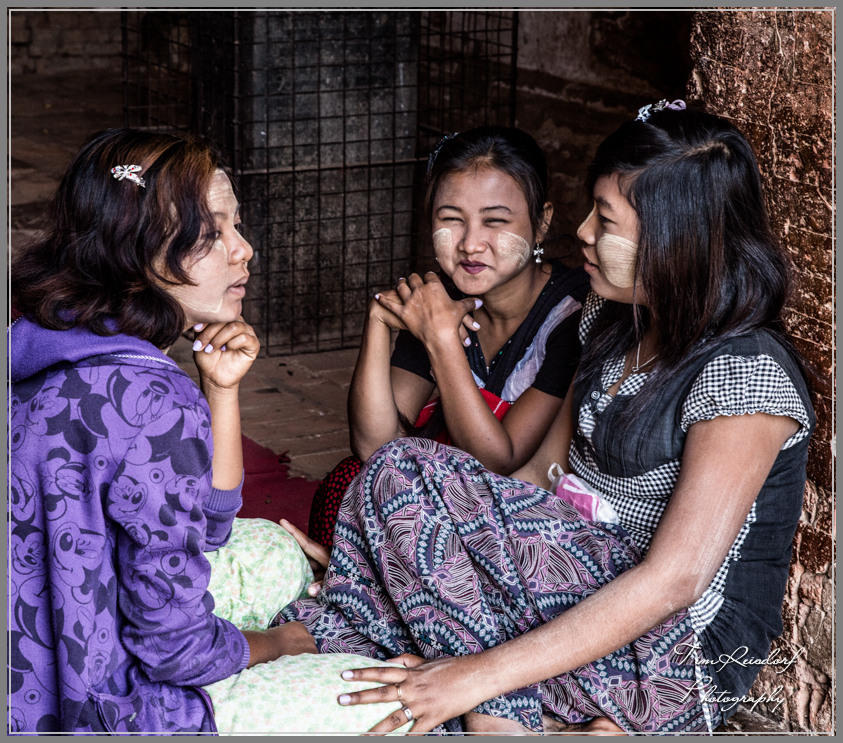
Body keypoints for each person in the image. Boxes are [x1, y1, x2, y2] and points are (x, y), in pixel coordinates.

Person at [274, 101, 815, 733]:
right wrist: (398, 546)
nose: (583, 232)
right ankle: (525, 708)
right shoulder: (611, 326)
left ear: (675, 239)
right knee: (395, 472)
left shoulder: (746, 373)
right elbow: (534, 481)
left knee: (410, 505)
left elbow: (675, 580)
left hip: (676, 654)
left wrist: (475, 672)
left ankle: (491, 709)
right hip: (570, 577)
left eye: (605, 218)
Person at [8, 129, 406, 734]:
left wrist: (219, 391)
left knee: (273, 553)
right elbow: (174, 651)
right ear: (137, 249)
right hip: (97, 701)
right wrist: (279, 643)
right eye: (216, 232)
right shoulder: (151, 404)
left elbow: (208, 522)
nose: (245, 250)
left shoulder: (39, 339)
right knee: (389, 702)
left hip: (36, 652)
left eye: (237, 226)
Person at [307, 126, 589, 548]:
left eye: (495, 221)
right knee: (346, 483)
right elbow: (373, 446)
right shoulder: (440, 298)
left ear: (542, 221)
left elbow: (500, 460)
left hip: (517, 517)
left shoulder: (571, 316)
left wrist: (441, 343)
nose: (471, 244)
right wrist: (379, 323)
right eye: (451, 219)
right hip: (442, 494)